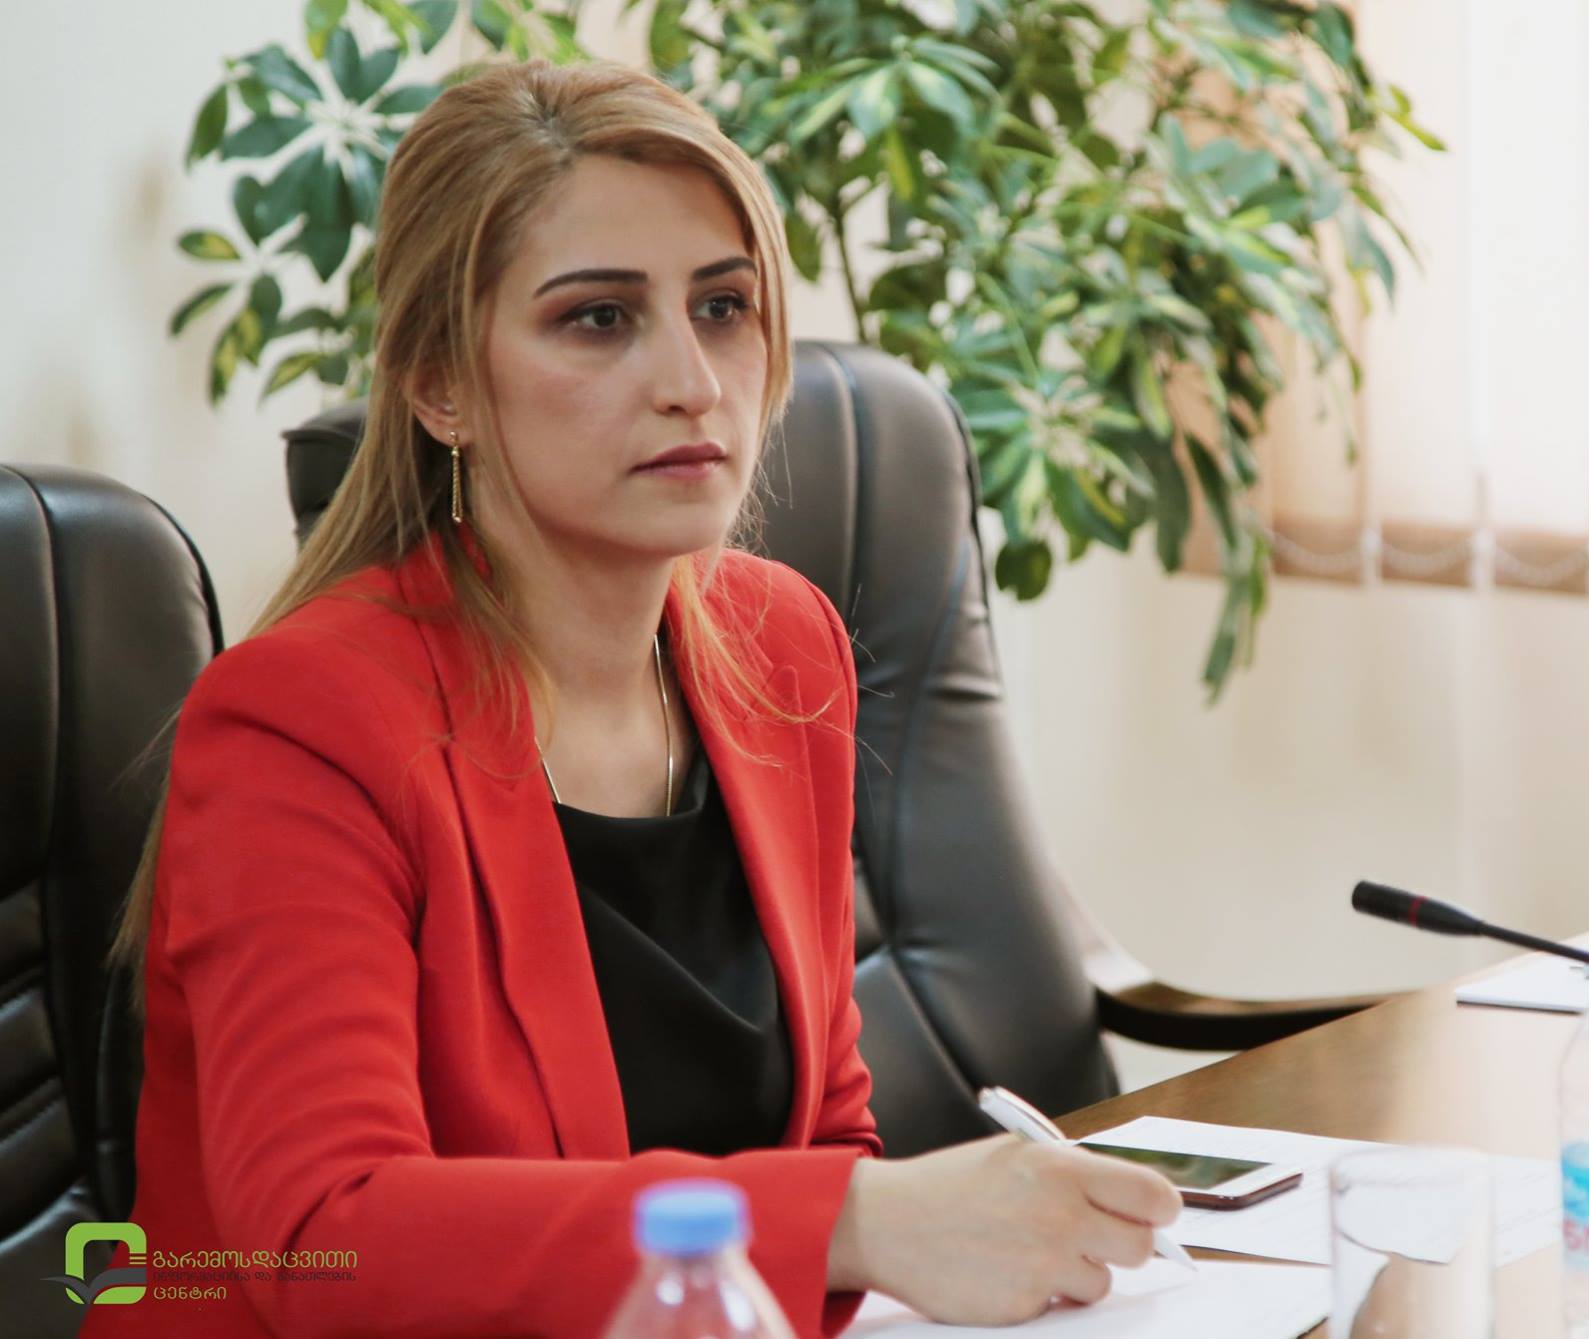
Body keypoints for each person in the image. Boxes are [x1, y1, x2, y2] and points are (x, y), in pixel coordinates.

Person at [88, 58, 1178, 1339]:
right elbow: (325, 1236)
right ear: (440, 384)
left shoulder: (782, 647)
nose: (693, 380)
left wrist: (873, 1231)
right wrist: (857, 1222)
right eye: (599, 318)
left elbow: (827, 1126)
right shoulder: (301, 721)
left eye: (723, 306)